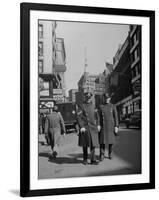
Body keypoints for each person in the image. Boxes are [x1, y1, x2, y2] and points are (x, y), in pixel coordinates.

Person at [76, 92, 100, 165]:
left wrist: (98, 124)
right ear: (85, 98)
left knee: (93, 144)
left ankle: (93, 160)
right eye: (87, 98)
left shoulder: (94, 106)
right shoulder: (81, 106)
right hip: (85, 127)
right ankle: (85, 159)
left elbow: (97, 116)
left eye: (89, 98)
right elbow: (78, 117)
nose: (88, 99)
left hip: (93, 127)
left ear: (91, 98)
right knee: (85, 144)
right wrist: (81, 126)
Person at [98, 93, 119, 161]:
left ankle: (110, 154)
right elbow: (98, 117)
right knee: (102, 141)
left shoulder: (113, 106)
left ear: (110, 98)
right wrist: (98, 125)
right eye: (105, 98)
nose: (107, 99)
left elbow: (116, 117)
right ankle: (102, 154)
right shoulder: (101, 106)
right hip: (103, 126)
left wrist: (116, 126)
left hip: (110, 126)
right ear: (104, 98)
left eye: (108, 98)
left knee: (111, 141)